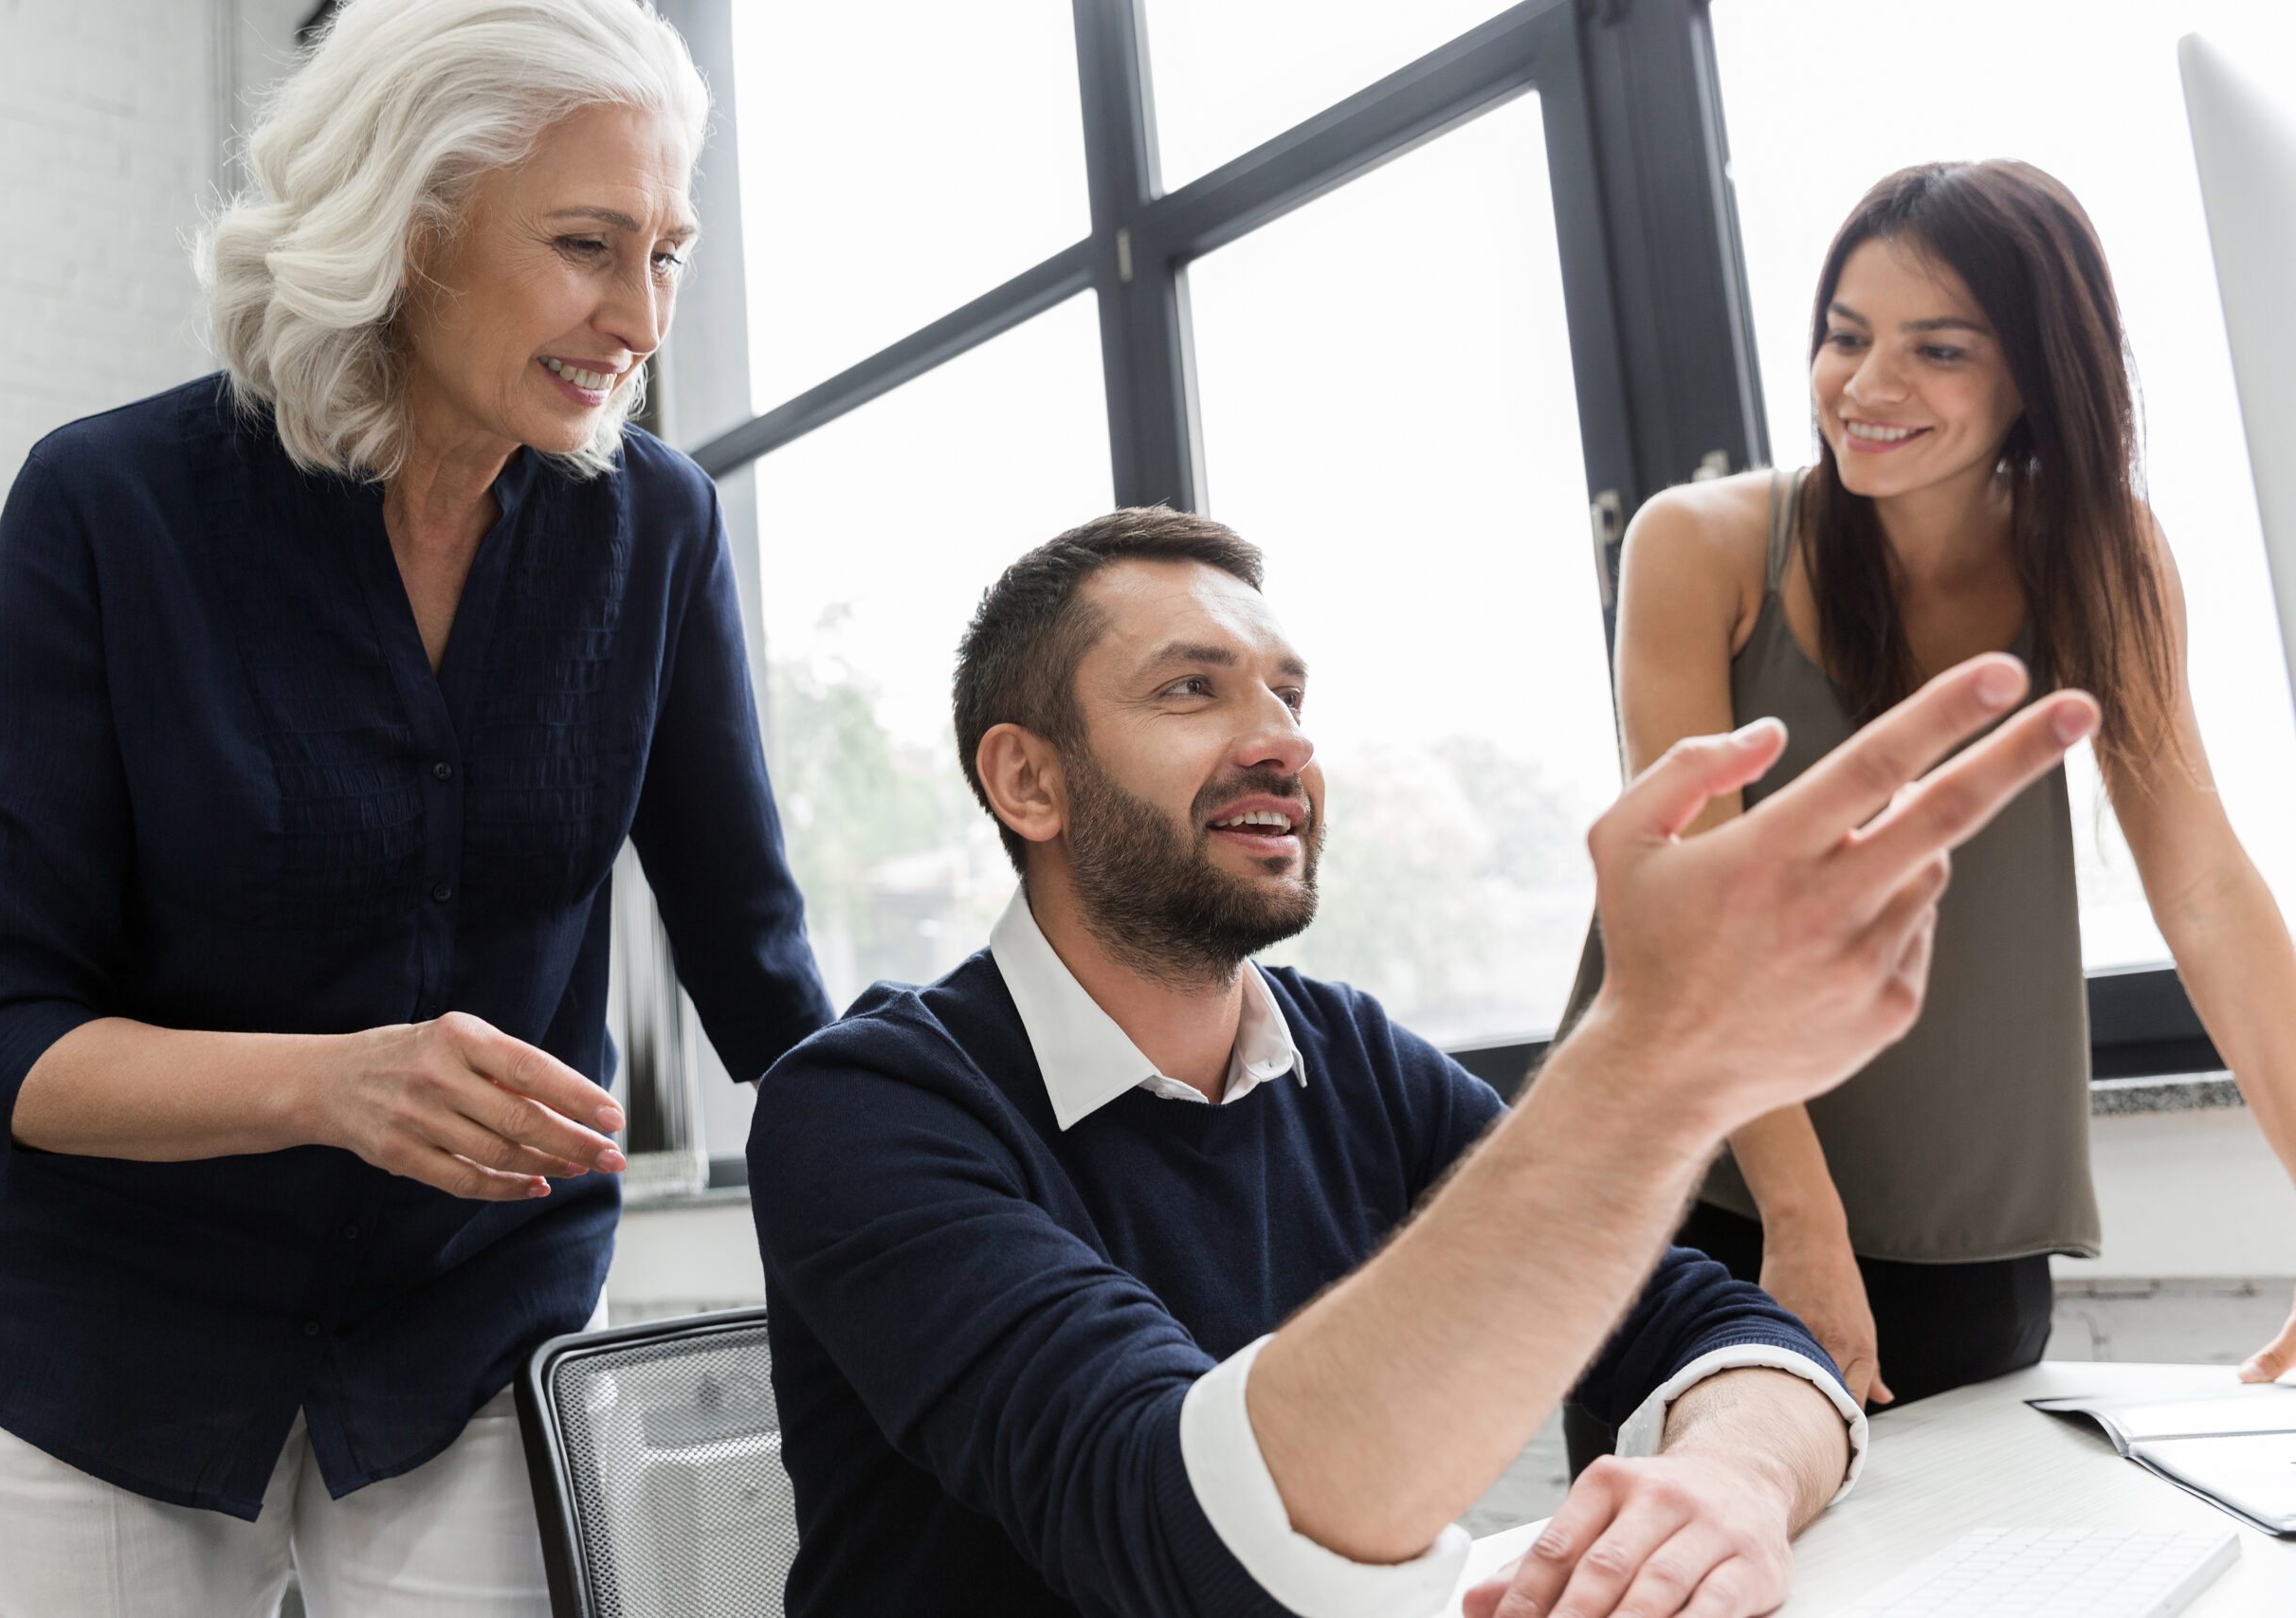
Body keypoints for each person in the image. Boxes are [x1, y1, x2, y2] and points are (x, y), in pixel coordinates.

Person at [0, 1, 829, 1611]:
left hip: (468, 1323)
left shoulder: (655, 528)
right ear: (411, 224)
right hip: (100, 1340)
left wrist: (959, 1182)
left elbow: (752, 957)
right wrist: (337, 1086)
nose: (642, 318)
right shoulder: (109, 510)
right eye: (590, 245)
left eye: (666, 253)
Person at [746, 508, 2095, 1618]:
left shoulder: (1352, 1058)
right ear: (1028, 784)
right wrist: (1656, 1057)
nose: (1282, 737)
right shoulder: (865, 1109)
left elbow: (1722, 1328)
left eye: (1288, 692)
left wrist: (1734, 1480)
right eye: (1190, 689)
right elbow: (1183, 1538)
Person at [1568, 158, 2296, 1440]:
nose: (1868, 386)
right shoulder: (1701, 543)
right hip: (1702, 1202)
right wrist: (1801, 1223)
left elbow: (2204, 885)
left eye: (1938, 350)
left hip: (1965, 1219)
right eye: (1846, 337)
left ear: (2036, 374)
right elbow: (1700, 923)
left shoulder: (2101, 557)